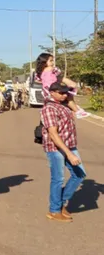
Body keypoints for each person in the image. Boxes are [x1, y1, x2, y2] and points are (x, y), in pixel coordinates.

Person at [41, 82, 87, 222]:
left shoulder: (64, 105)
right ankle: (54, 210)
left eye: (66, 92)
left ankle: (59, 203)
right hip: (56, 149)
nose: (64, 95)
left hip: (70, 146)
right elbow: (53, 134)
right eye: (61, 93)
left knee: (79, 175)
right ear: (52, 92)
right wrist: (69, 154)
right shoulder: (49, 108)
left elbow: (76, 104)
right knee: (58, 179)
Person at [35, 53, 89, 118]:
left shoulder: (40, 72)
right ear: (44, 62)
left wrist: (45, 81)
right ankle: (77, 111)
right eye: (51, 61)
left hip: (47, 90)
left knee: (58, 100)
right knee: (68, 96)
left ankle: (74, 109)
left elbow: (37, 80)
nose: (52, 63)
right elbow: (58, 71)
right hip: (54, 87)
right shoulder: (50, 68)